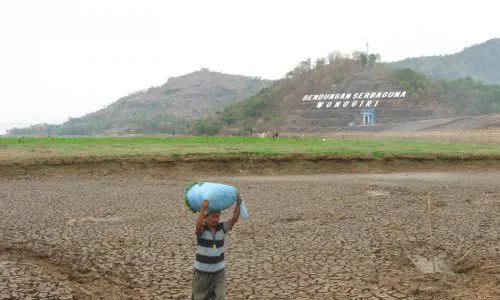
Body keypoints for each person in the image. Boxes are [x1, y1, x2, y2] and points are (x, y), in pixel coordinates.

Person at [191, 193, 242, 300]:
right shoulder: (202, 231)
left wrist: (238, 203)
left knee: (220, 297)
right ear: (206, 218)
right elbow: (198, 225)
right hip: (202, 274)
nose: (216, 219)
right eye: (213, 217)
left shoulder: (221, 228)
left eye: (217, 216)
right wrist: (203, 208)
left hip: (219, 273)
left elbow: (234, 219)